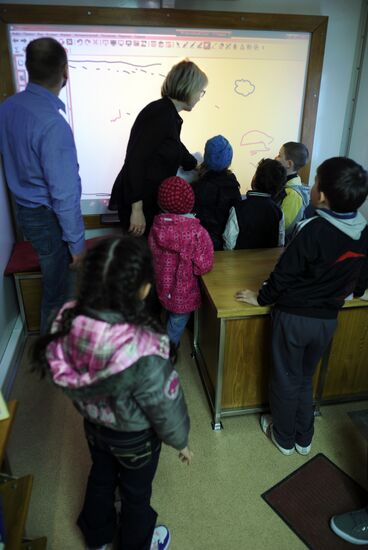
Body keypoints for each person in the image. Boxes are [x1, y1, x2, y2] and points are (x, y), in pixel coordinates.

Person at [31, 236, 192, 550]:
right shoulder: (146, 351)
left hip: (94, 427)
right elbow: (165, 405)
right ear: (145, 290)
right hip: (135, 440)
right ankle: (136, 544)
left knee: (101, 477)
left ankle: (97, 536)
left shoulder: (67, 322)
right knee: (135, 493)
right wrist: (180, 441)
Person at [235, 157, 368, 456]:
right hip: (327, 320)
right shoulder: (364, 231)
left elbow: (283, 274)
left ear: (321, 194)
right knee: (305, 376)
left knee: (285, 376)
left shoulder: (312, 230)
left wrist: (262, 298)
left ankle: (282, 436)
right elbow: (361, 277)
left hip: (294, 317)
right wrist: (354, 292)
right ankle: (303, 436)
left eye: (317, 180)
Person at [0, 37, 85, 334]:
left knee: (54, 288)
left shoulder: (8, 108)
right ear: (65, 71)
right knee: (60, 293)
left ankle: (53, 354)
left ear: (28, 69)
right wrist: (76, 244)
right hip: (48, 219)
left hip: (27, 212)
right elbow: (63, 195)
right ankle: (56, 358)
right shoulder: (52, 125)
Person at [109, 59, 208, 237]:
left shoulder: (169, 115)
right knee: (141, 260)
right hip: (139, 203)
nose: (200, 97)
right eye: (200, 91)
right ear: (189, 87)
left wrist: (197, 166)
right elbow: (135, 160)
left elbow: (176, 147)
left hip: (148, 201)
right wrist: (136, 209)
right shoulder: (159, 114)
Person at [149, 176, 214, 363]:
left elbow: (152, 253)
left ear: (161, 203)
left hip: (162, 285)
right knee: (177, 322)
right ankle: (165, 355)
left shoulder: (156, 226)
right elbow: (204, 264)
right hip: (183, 291)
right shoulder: (197, 232)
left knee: (168, 313)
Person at [223, 158, 286, 250]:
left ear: (255, 179)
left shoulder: (238, 208)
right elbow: (280, 243)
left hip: (240, 262)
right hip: (268, 262)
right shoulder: (278, 212)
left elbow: (229, 242)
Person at [192, 135, 241, 250]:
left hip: (201, 245)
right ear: (229, 160)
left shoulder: (198, 187)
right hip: (226, 245)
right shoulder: (233, 185)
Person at [275, 141, 310, 239]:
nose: (275, 158)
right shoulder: (285, 185)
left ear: (289, 163)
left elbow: (283, 226)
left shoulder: (293, 194)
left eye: (279, 155)